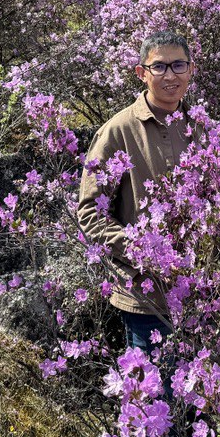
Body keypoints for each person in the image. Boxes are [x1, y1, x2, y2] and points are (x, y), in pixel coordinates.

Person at [77, 29, 197, 351]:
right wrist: (145, 252)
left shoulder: (201, 127)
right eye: (159, 67)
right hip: (145, 295)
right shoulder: (117, 130)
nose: (170, 75)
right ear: (141, 73)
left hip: (200, 290)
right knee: (154, 392)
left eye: (178, 65)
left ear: (191, 70)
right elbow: (90, 213)